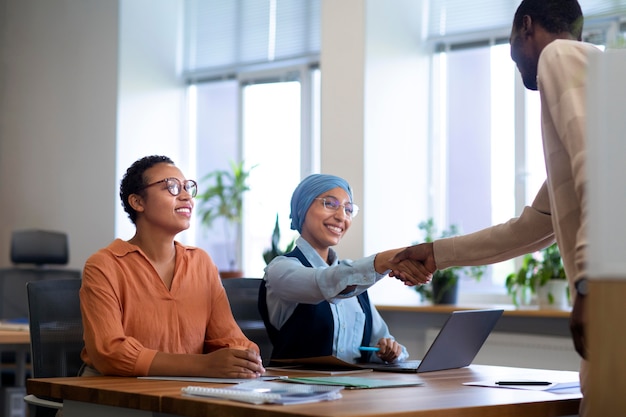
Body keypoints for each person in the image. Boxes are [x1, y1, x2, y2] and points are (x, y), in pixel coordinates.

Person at [390, 1, 599, 415]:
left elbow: (600, 171)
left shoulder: (560, 54)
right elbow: (530, 228)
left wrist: (590, 286)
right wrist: (435, 253)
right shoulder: (597, 89)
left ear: (525, 27)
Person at [79, 155, 265, 378]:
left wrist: (245, 357)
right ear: (138, 202)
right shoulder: (104, 265)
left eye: (188, 187)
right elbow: (109, 352)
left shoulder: (201, 263)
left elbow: (229, 337)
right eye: (172, 187)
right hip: (115, 394)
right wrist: (204, 366)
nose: (186, 196)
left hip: (182, 390)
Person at [259, 173, 428, 365]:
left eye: (348, 209)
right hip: (299, 390)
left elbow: (381, 343)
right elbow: (323, 282)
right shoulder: (280, 269)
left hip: (353, 389)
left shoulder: (355, 279)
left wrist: (389, 351)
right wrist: (382, 261)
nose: (341, 217)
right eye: (330, 204)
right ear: (302, 209)